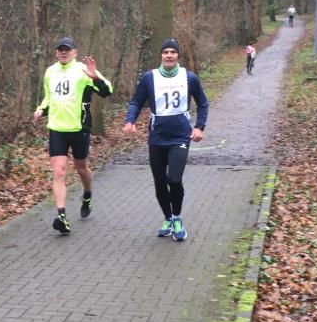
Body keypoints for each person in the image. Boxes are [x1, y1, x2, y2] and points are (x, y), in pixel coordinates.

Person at [123, 39, 209, 242]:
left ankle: (177, 218)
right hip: (157, 137)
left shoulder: (189, 78)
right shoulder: (149, 78)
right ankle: (167, 218)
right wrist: (130, 120)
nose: (169, 55)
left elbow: (203, 103)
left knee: (174, 179)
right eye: (165, 52)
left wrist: (199, 126)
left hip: (180, 136)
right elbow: (136, 102)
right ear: (161, 55)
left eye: (173, 52)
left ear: (178, 55)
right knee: (160, 182)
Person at [34, 37, 113, 234]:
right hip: (57, 129)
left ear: (75, 53)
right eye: (60, 49)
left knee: (81, 168)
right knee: (59, 171)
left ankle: (87, 193)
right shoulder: (50, 72)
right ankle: (61, 216)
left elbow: (107, 91)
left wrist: (95, 77)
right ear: (56, 52)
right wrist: (41, 110)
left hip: (79, 129)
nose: (64, 52)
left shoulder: (83, 70)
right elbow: (49, 98)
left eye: (67, 50)